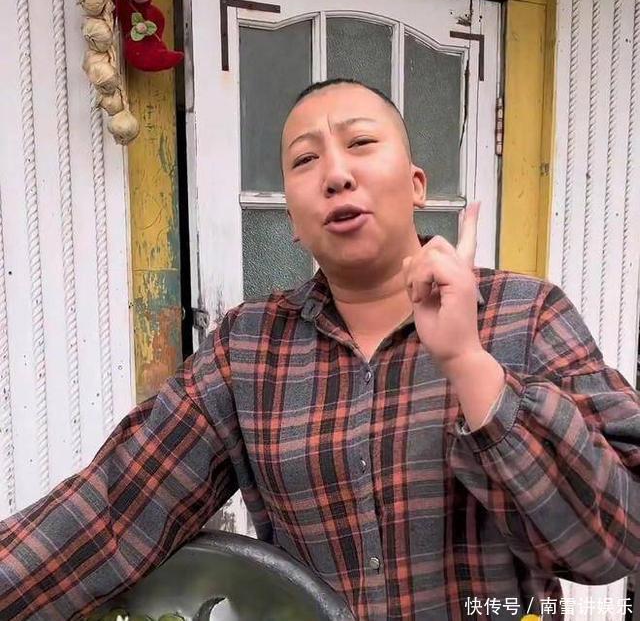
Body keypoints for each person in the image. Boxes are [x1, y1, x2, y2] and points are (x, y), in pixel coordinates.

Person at [1, 78, 640, 620]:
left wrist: (469, 365)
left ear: (416, 184)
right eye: (305, 160)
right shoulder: (247, 351)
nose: (336, 174)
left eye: (361, 143)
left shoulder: (526, 314)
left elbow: (612, 541)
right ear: (291, 215)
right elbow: (115, 510)